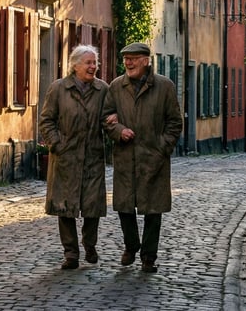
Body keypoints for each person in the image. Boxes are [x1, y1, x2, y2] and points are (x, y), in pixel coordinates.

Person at [102, 42, 183, 273]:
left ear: (146, 61)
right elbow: (106, 117)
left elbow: (175, 122)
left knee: (153, 210)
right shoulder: (117, 86)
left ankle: (149, 256)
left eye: (134, 58)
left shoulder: (164, 86)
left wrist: (162, 147)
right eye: (126, 58)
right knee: (124, 207)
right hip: (126, 157)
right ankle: (131, 245)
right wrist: (118, 131)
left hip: (154, 157)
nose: (128, 62)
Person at [38, 44, 110, 270]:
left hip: (92, 156)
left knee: (92, 206)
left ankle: (90, 245)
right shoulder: (59, 88)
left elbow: (108, 118)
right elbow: (46, 120)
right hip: (66, 157)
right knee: (64, 207)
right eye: (88, 63)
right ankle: (70, 253)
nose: (93, 67)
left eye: (95, 63)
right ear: (75, 65)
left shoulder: (102, 90)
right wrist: (57, 144)